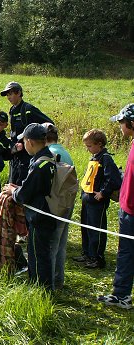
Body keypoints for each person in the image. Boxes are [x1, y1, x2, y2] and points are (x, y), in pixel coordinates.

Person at [3, 123, 57, 290]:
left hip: (40, 216)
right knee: (41, 252)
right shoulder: (47, 157)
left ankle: (41, 288)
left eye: (24, 141)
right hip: (45, 212)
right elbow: (34, 188)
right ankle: (42, 284)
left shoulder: (40, 165)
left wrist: (13, 191)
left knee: (37, 254)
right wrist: (18, 188)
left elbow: (23, 195)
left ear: (30, 142)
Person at [98, 103, 134, 309]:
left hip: (132, 212)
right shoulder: (133, 143)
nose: (119, 126)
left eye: (121, 122)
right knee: (125, 252)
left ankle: (122, 295)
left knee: (127, 252)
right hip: (126, 207)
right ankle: (121, 294)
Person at [75, 129, 122, 269]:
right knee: (86, 227)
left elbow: (113, 179)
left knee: (97, 229)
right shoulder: (94, 157)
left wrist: (103, 192)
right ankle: (87, 253)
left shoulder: (105, 158)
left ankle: (97, 257)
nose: (87, 149)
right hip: (87, 199)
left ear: (99, 144)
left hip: (97, 202)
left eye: (89, 146)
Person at [0, 81, 53, 186]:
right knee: (12, 184)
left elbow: (49, 124)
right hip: (15, 155)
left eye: (10, 94)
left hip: (27, 155)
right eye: (7, 95)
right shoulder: (12, 110)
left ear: (19, 93)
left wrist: (33, 140)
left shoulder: (28, 109)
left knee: (22, 186)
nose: (8, 97)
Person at [43, 122, 74, 289]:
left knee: (51, 245)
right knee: (61, 244)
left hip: (57, 205)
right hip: (68, 202)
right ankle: (59, 279)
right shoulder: (64, 151)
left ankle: (51, 284)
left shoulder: (51, 154)